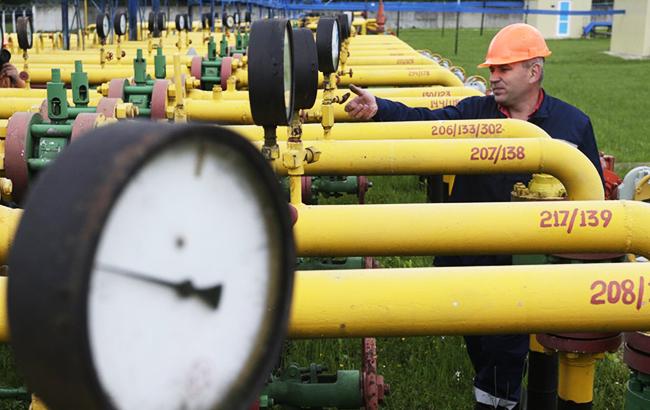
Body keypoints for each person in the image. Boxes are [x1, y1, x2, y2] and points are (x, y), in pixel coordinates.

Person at [344, 23, 604, 410]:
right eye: (492, 69)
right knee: (483, 347)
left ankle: (499, 400)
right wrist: (380, 108)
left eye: (504, 69)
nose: (494, 77)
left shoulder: (572, 125)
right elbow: (427, 121)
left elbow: (594, 197)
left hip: (531, 264)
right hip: (471, 257)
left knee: (504, 355)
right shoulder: (474, 113)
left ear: (534, 71)